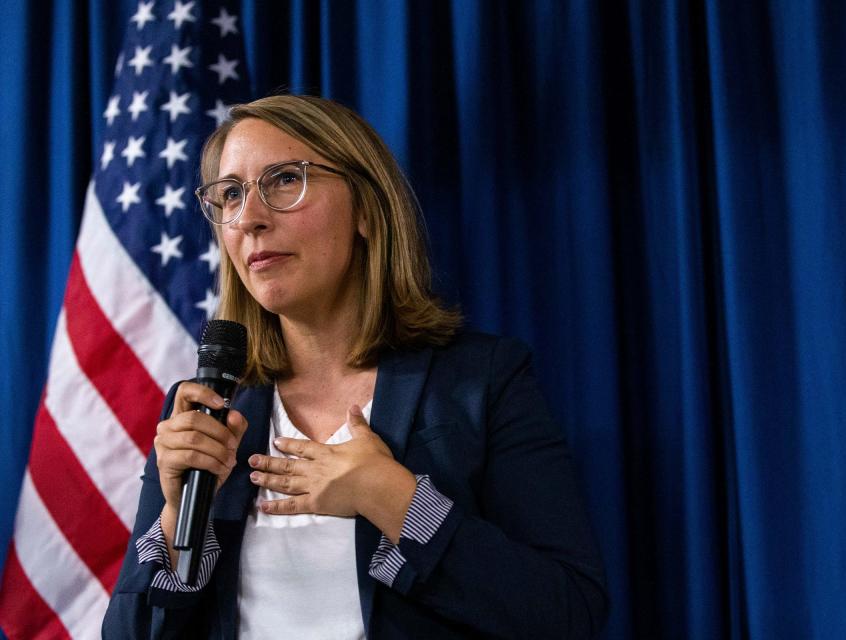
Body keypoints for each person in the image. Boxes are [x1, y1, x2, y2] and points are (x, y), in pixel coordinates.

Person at [102, 95, 608, 639]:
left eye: (283, 180)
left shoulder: (480, 380)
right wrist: (178, 519)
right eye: (229, 195)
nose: (248, 218)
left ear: (366, 208)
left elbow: (568, 613)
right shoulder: (209, 406)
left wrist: (394, 499)